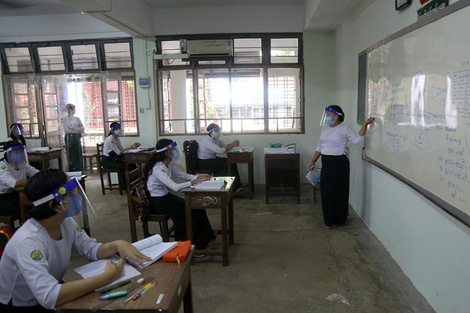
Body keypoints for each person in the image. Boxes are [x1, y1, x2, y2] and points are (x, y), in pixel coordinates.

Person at [0, 169, 151, 312]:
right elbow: (49, 296)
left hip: (51, 289)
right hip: (22, 304)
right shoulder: (28, 240)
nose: (76, 196)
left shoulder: (65, 222)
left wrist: (117, 244)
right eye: (71, 193)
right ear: (55, 205)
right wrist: (106, 277)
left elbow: (90, 249)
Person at [309, 105, 375, 229]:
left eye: (329, 115)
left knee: (340, 191)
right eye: (326, 115)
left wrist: (365, 125)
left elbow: (357, 140)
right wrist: (313, 160)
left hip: (340, 163)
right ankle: (329, 220)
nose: (327, 117)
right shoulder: (325, 129)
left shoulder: (344, 129)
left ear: (336, 116)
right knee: (327, 191)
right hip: (327, 162)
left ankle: (340, 218)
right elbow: (319, 146)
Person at [143, 139, 216, 249]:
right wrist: (193, 182)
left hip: (166, 197)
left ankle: (206, 237)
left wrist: (200, 177)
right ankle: (192, 244)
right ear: (167, 152)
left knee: (198, 206)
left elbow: (183, 175)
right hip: (159, 202)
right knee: (189, 211)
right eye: (173, 150)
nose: (175, 152)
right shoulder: (158, 168)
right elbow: (175, 187)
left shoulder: (168, 163)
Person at [197, 123, 246, 192]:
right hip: (204, 162)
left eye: (219, 131)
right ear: (211, 131)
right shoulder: (207, 141)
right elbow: (221, 151)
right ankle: (231, 188)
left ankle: (237, 184)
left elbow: (225, 146)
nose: (219, 133)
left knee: (231, 162)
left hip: (211, 159)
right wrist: (233, 145)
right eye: (217, 131)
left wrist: (232, 144)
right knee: (226, 165)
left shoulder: (215, 139)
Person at [0, 141, 39, 217]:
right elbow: (14, 183)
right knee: (29, 206)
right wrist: (34, 181)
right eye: (16, 152)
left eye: (21, 152)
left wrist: (45, 174)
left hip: (16, 194)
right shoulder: (2, 166)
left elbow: (35, 172)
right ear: (7, 154)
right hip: (3, 199)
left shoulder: (22, 163)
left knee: (37, 201)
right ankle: (24, 225)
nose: (20, 155)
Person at [102, 122, 140, 189]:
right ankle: (126, 187)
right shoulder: (110, 140)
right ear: (112, 130)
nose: (119, 130)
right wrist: (131, 147)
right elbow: (119, 152)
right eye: (117, 129)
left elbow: (122, 149)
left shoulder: (117, 138)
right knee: (124, 166)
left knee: (132, 164)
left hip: (114, 159)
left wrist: (131, 148)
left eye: (119, 128)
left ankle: (135, 184)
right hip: (108, 161)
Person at [61, 103, 85, 172]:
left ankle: (80, 171)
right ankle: (72, 171)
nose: (72, 111)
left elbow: (82, 128)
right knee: (71, 156)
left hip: (77, 138)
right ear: (67, 110)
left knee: (78, 155)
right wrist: (76, 129)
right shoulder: (64, 119)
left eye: (73, 109)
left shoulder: (77, 119)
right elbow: (67, 130)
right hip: (69, 138)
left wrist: (75, 129)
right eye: (71, 109)